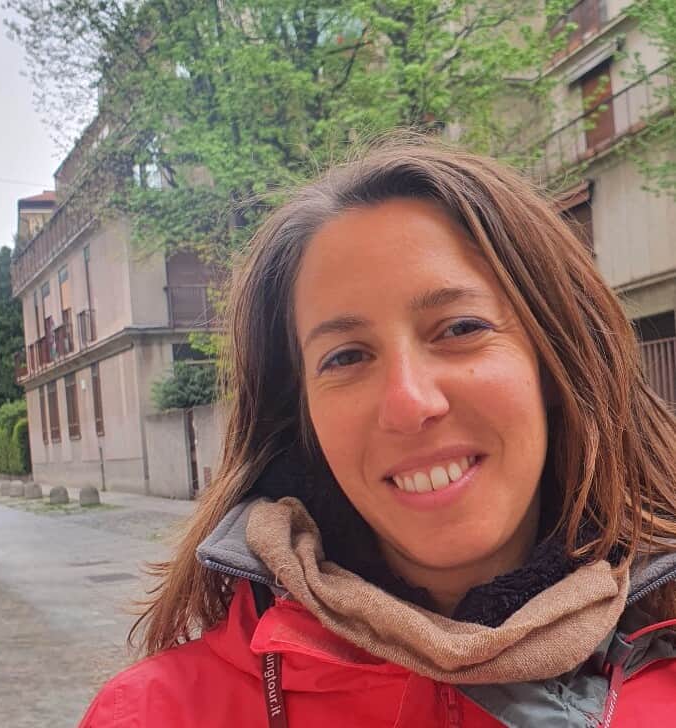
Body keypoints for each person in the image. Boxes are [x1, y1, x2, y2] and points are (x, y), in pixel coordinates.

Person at [79, 139, 676, 727]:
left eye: (459, 327)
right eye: (345, 357)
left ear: (555, 361)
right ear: (302, 416)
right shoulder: (154, 715)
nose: (409, 403)